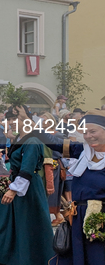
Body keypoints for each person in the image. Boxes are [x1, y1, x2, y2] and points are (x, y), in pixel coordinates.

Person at [0, 105, 55, 265]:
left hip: (28, 191)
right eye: (10, 119)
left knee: (25, 228)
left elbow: (27, 168)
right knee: (1, 227)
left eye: (16, 119)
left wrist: (13, 190)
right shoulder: (21, 139)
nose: (12, 122)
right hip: (16, 185)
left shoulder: (33, 140)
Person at [42, 109, 105, 265]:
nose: (89, 136)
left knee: (97, 256)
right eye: (85, 132)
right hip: (77, 217)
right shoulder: (83, 151)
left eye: (93, 131)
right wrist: (36, 130)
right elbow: (55, 143)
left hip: (100, 218)